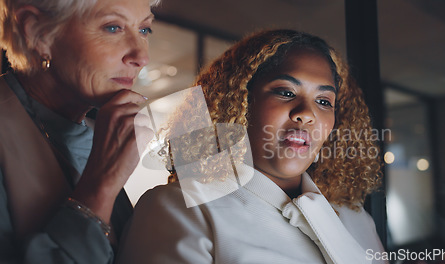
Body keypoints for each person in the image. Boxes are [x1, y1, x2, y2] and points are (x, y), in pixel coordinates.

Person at [117, 29, 387, 264]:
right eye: (286, 92)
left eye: (324, 101)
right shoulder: (179, 208)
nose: (307, 113)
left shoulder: (355, 217)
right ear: (239, 103)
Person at [0, 0, 157, 262]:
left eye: (144, 30)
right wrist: (101, 187)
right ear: (36, 31)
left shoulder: (100, 130)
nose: (142, 57)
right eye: (113, 27)